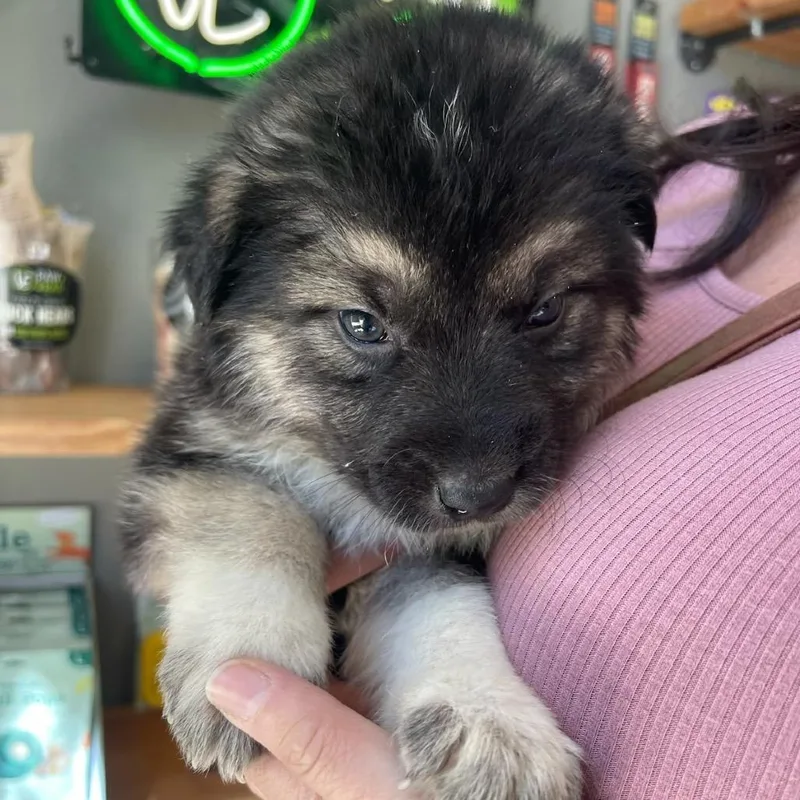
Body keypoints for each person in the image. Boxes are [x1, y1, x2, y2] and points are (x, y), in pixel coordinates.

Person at [205, 95, 800, 799]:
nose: (473, 481)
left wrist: (451, 677)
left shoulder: (607, 167)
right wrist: (246, 572)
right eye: (364, 326)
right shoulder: (714, 152)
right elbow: (197, 466)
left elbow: (443, 561)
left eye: (542, 314)